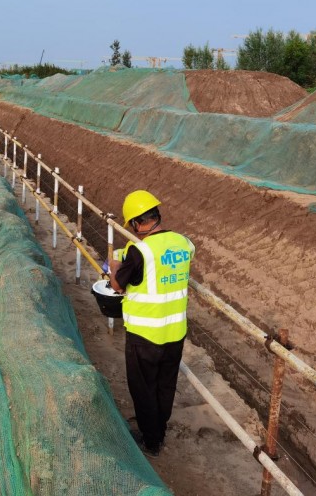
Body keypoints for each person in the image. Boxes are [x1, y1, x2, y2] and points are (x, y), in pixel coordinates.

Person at [109, 189, 195, 458]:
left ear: (136, 223)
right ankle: (160, 428)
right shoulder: (184, 243)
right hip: (175, 332)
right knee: (165, 384)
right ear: (156, 216)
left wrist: (114, 263)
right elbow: (165, 260)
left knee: (143, 388)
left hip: (144, 335)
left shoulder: (139, 252)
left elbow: (117, 284)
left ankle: (151, 440)